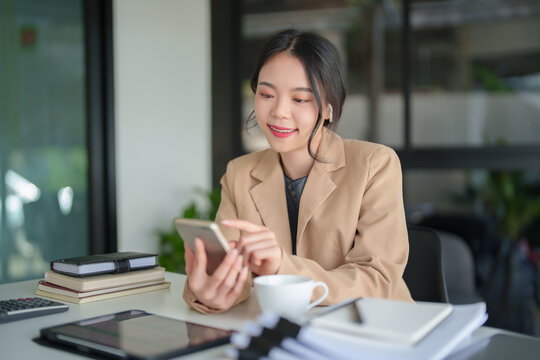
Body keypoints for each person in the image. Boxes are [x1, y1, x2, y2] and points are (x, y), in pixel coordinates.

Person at [183, 29, 412, 314]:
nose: (278, 111)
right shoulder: (239, 173)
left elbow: (377, 281)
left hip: (376, 330)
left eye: (300, 99)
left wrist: (281, 266)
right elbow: (235, 276)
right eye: (266, 94)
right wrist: (211, 292)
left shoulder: (375, 164)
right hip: (283, 333)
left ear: (328, 108)